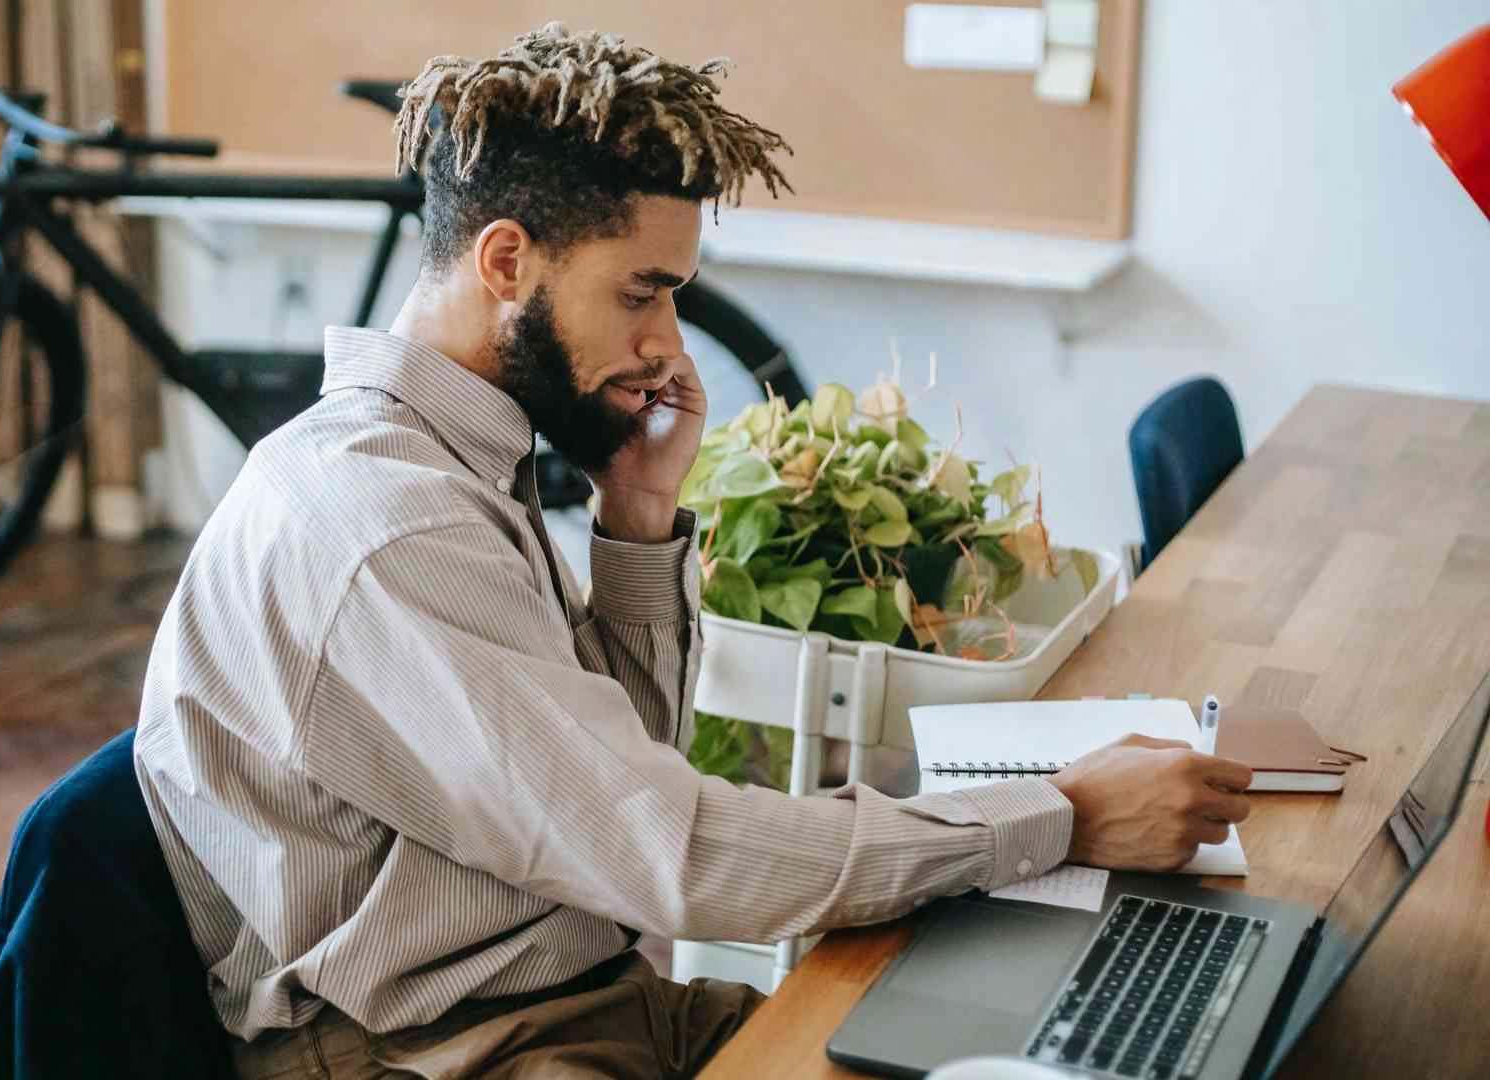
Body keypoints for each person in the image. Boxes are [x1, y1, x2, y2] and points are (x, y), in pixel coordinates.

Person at [133, 22, 1255, 1079]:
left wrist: (637, 517)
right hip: (441, 1055)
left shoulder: (456, 461)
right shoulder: (390, 526)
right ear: (508, 261)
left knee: (1012, 1040)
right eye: (642, 293)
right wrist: (1060, 814)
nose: (665, 345)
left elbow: (623, 782)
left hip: (578, 1000)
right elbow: (674, 854)